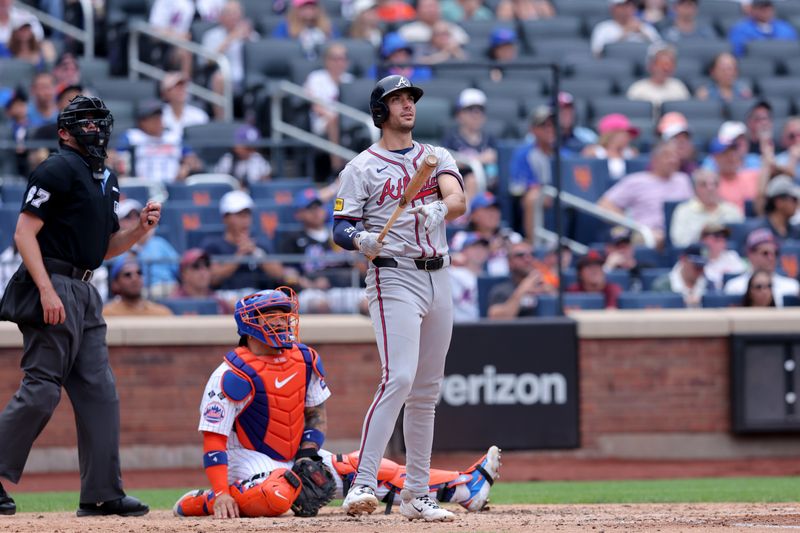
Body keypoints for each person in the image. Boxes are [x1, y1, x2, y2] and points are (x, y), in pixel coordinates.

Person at [171, 288, 501, 518]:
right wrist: (223, 489)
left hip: (292, 456)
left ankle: (463, 487)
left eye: (283, 315)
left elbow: (315, 415)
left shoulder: (304, 358)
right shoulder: (230, 374)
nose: (281, 322)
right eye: (270, 317)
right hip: (247, 460)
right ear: (249, 326)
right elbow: (213, 440)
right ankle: (206, 500)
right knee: (277, 494)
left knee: (366, 469)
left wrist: (307, 456)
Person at [0, 94, 156, 516]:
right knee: (41, 390)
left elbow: (104, 250)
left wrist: (139, 231)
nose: (94, 129)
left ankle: (102, 494)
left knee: (99, 393)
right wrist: (47, 290)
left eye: (98, 121)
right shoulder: (56, 167)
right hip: (52, 283)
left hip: (86, 290)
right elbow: (23, 234)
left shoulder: (106, 178)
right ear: (65, 132)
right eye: (84, 123)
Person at [331, 75, 467, 521]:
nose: (407, 105)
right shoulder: (360, 168)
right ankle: (363, 484)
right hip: (393, 277)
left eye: (410, 98)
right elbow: (339, 227)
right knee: (399, 378)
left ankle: (416, 494)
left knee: (426, 391)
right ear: (380, 110)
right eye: (397, 99)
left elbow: (458, 198)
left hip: (438, 274)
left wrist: (440, 208)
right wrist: (360, 240)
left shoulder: (435, 156)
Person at [598, 142, 694, 248]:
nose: (673, 160)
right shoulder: (636, 181)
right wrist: (631, 225)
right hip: (646, 234)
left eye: (676, 156)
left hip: (681, 234)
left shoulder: (683, 180)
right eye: (667, 156)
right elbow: (604, 205)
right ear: (655, 160)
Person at [203, 190, 284, 294]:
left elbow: (279, 274)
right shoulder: (212, 245)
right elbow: (212, 279)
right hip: (225, 297)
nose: (245, 220)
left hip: (259, 296)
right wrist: (239, 256)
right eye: (239, 215)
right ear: (225, 218)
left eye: (247, 214)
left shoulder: (261, 244)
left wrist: (255, 252)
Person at [201, 0, 259, 119]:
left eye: (237, 13)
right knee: (219, 78)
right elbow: (207, 60)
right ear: (221, 16)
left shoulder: (251, 35)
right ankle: (222, 121)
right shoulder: (212, 35)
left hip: (246, 78)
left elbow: (263, 58)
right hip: (224, 79)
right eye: (229, 13)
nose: (234, 16)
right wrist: (231, 38)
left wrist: (249, 39)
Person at [114, 198, 180, 297]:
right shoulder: (116, 245)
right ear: (118, 223)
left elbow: (179, 270)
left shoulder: (160, 243)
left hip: (171, 292)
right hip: (136, 295)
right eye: (128, 217)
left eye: (137, 216)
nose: (134, 220)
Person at [442, 88, 498, 200]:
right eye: (470, 110)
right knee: (471, 180)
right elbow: (446, 161)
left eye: (480, 110)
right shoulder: (451, 138)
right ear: (459, 114)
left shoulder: (489, 138)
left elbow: (493, 158)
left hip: (488, 188)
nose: (476, 114)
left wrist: (465, 160)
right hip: (458, 189)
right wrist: (477, 160)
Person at [669, 168, 744, 248]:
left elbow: (741, 241)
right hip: (695, 256)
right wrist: (702, 233)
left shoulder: (732, 210)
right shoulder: (683, 210)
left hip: (727, 256)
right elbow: (679, 242)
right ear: (695, 189)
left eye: (715, 184)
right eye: (703, 184)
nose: (710, 188)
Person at [724, 228, 799, 306]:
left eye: (775, 253)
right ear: (750, 254)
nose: (771, 258)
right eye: (765, 253)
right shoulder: (734, 287)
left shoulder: (792, 287)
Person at [487, 240, 554, 318]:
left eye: (532, 254)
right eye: (520, 255)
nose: (527, 259)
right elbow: (497, 319)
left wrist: (551, 293)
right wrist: (522, 290)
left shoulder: (544, 286)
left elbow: (564, 315)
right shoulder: (501, 290)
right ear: (510, 262)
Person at [102, 254, 174, 316]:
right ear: (115, 284)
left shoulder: (162, 313)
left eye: (139, 273)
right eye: (127, 275)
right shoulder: (107, 314)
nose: (135, 278)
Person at [626, 42, 690, 109]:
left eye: (669, 65)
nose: (666, 68)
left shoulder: (679, 87)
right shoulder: (638, 89)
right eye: (661, 64)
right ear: (651, 65)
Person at [170, 248, 233, 314]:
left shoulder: (220, 302)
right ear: (184, 273)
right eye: (196, 266)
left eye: (207, 265)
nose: (203, 271)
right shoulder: (174, 303)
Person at [591, 0, 661, 57]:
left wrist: (643, 34)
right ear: (613, 8)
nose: (628, 8)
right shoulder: (603, 28)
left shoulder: (645, 27)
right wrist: (624, 33)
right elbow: (597, 54)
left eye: (630, 5)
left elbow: (662, 49)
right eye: (623, 6)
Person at [581, 113, 640, 181]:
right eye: (625, 134)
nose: (629, 138)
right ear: (612, 134)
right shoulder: (593, 153)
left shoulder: (632, 153)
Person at [728, 0, 798, 58]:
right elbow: (738, 53)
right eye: (761, 9)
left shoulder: (785, 28)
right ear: (752, 10)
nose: (766, 12)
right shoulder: (740, 29)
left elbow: (794, 51)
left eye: (768, 8)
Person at [652, 243, 710, 308]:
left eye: (703, 266)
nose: (700, 271)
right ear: (683, 259)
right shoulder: (662, 286)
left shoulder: (709, 285)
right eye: (697, 266)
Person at [449, 232, 490, 322]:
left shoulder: (491, 277)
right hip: (459, 327)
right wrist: (451, 258)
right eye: (474, 247)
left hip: (485, 327)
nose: (480, 251)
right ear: (464, 251)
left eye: (483, 247)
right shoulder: (452, 274)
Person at [398, 0, 468, 48]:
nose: (431, 10)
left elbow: (464, 41)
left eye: (433, 6)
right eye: (427, 7)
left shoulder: (451, 27)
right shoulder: (408, 31)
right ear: (417, 10)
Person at [160, 72, 209, 140]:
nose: (181, 90)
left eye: (183, 86)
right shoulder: (158, 117)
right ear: (165, 93)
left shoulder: (199, 115)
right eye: (176, 87)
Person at [701, 222, 746, 292]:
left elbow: (742, 281)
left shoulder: (732, 256)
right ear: (703, 239)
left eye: (724, 237)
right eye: (716, 236)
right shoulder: (696, 259)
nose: (721, 240)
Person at [757, 175, 800, 242]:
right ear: (779, 202)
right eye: (794, 199)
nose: (797, 203)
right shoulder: (759, 232)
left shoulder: (796, 231)